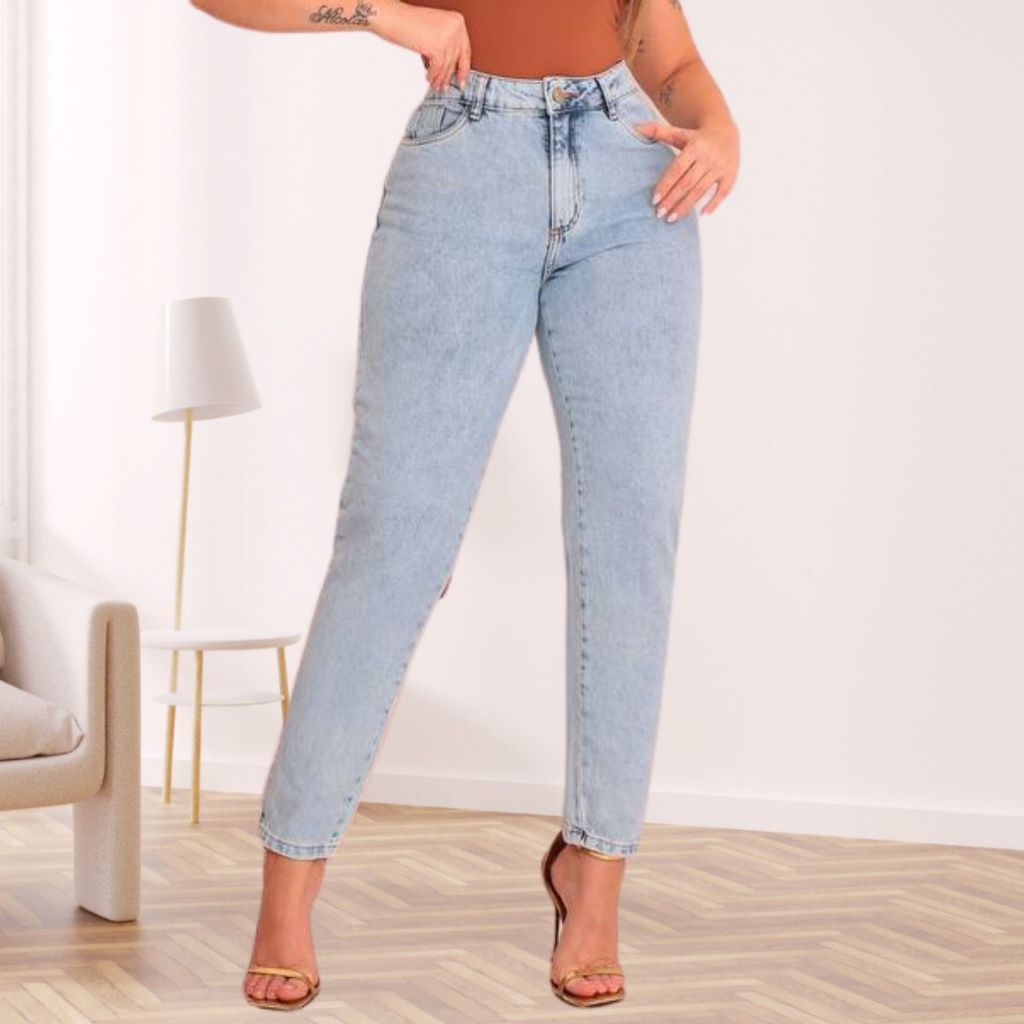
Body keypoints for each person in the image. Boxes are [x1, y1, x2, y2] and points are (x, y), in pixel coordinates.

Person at [189, 0, 739, 1011]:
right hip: (462, 173)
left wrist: (720, 128)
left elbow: (675, 60)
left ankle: (594, 878)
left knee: (630, 545)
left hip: (634, 181)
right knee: (392, 543)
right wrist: (380, 15)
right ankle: (289, 882)